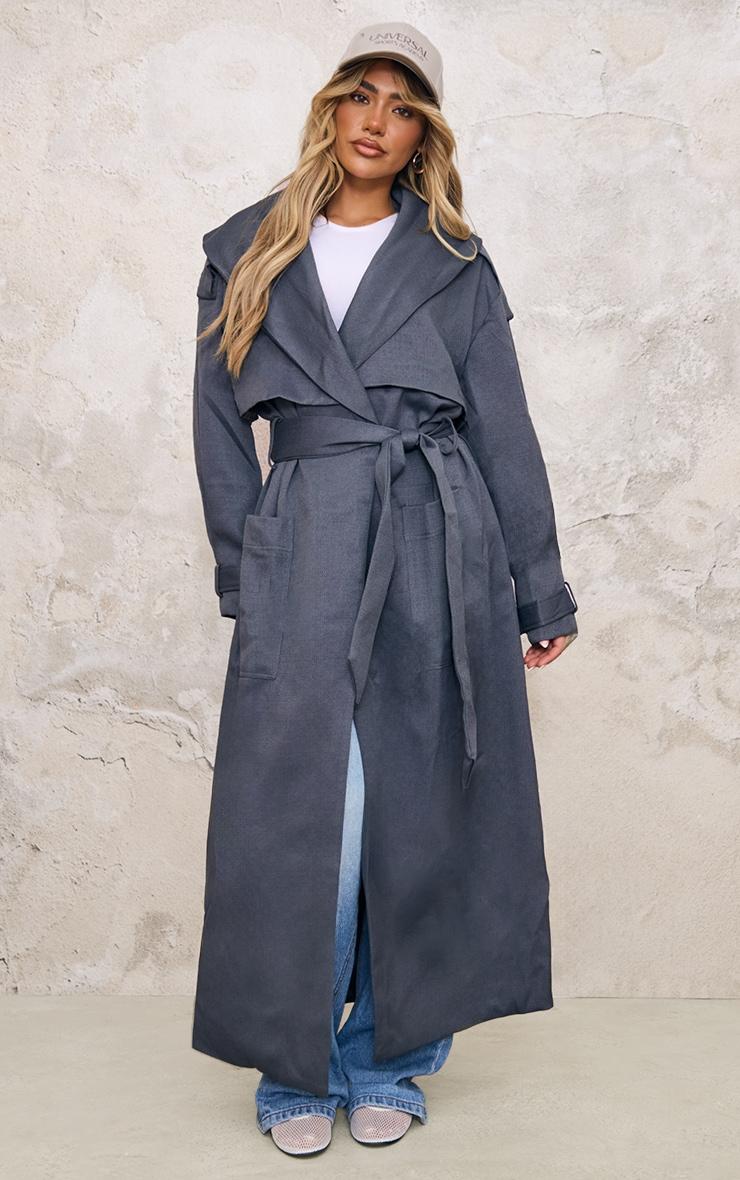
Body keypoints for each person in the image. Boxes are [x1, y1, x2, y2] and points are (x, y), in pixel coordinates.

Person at [191, 20, 578, 1158]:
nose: (376, 119)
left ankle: (388, 1061)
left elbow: (503, 427)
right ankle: (295, 1068)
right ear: (331, 108)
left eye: (402, 106)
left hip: (434, 533)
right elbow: (216, 425)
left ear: (423, 136)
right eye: (361, 94)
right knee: (312, 816)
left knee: (419, 807)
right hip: (307, 534)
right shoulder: (248, 246)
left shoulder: (454, 261)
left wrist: (537, 588)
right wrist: (248, 563)